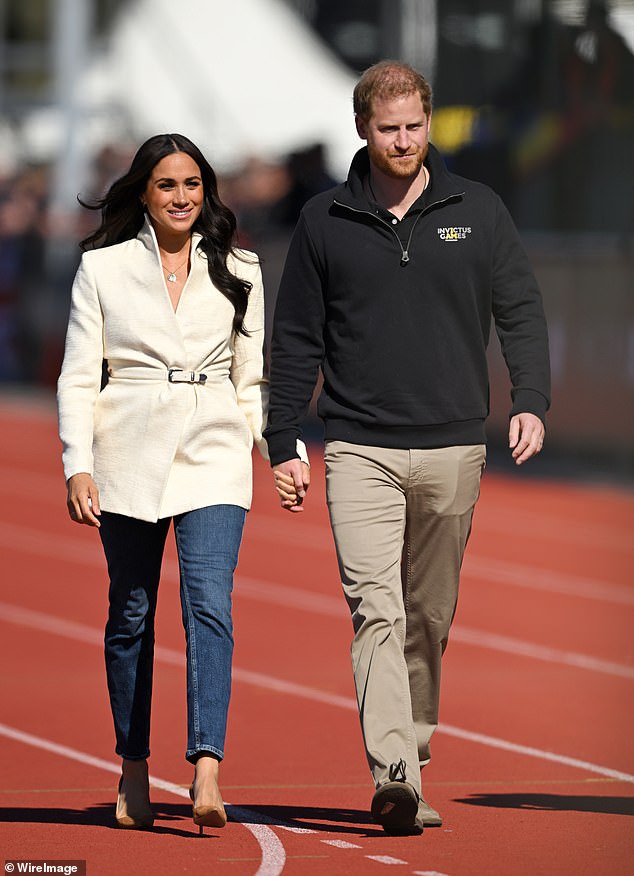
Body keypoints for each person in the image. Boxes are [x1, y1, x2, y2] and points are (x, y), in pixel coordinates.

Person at [264, 61, 550, 836]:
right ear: (363, 128)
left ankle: (413, 758)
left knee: (428, 616)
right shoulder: (324, 221)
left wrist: (531, 400)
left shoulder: (478, 210)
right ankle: (392, 773)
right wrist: (282, 435)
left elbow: (520, 311)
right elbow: (295, 340)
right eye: (387, 129)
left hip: (455, 445)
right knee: (376, 612)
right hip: (358, 448)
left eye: (414, 127)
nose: (403, 141)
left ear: (429, 123)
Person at [57, 133, 269, 833]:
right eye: (166, 185)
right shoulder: (103, 270)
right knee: (132, 613)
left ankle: (207, 764)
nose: (181, 197)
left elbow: (252, 375)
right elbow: (80, 375)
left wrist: (262, 444)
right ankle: (133, 764)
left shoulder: (239, 266)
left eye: (192, 185)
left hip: (213, 448)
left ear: (206, 191)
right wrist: (77, 463)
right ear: (143, 194)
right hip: (128, 451)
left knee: (210, 601)